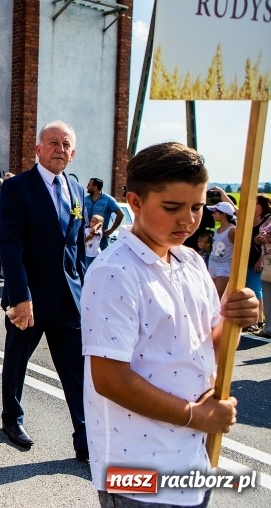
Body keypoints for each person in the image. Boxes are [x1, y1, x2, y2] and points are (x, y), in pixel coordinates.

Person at [81, 142, 260, 507]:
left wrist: (234, 320)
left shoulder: (192, 261)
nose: (188, 220)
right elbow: (109, 377)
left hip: (193, 458)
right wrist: (195, 415)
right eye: (172, 208)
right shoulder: (115, 272)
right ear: (135, 202)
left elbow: (209, 347)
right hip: (137, 469)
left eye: (196, 207)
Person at [0, 120, 88, 461]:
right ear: (38, 149)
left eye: (66, 145)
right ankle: (11, 419)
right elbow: (10, 245)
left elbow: (76, 248)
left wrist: (84, 291)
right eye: (53, 143)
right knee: (17, 362)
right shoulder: (19, 188)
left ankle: (84, 437)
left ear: (73, 153)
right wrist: (20, 296)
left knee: (76, 371)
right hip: (29, 299)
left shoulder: (76, 191)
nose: (59, 149)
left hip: (68, 301)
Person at [245, 194, 271, 333]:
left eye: (255, 203)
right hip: (256, 258)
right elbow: (256, 240)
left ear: (262, 206)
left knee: (256, 290)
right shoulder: (252, 219)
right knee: (258, 291)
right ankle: (262, 323)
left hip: (262, 260)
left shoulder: (268, 220)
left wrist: (260, 260)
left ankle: (257, 321)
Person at [83, 177, 123, 251]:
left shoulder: (108, 200)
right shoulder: (85, 199)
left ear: (95, 187)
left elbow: (120, 214)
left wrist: (111, 230)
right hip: (86, 238)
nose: (87, 187)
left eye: (89, 185)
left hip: (101, 239)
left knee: (101, 260)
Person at [207, 201, 236, 299]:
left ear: (223, 215)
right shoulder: (217, 229)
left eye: (215, 212)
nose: (212, 214)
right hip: (212, 262)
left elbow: (238, 248)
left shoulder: (232, 230)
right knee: (211, 291)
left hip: (225, 265)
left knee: (219, 292)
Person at [254, 195, 271, 338]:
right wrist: (259, 238)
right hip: (267, 261)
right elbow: (256, 238)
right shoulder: (269, 219)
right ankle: (268, 327)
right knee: (267, 296)